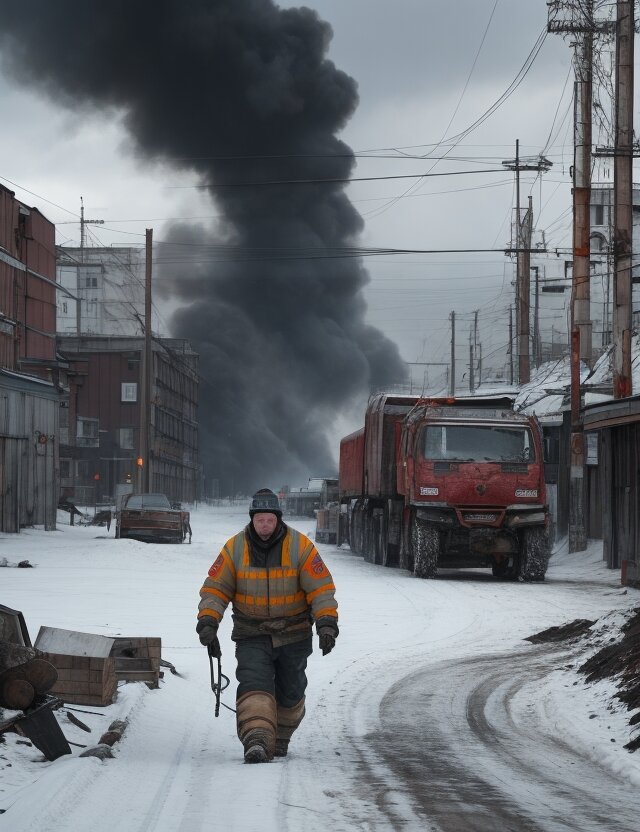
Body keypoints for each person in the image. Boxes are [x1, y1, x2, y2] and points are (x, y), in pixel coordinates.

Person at [196, 488, 339, 763]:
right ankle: (258, 740)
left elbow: (321, 589)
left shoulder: (300, 547)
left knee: (291, 690)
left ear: (278, 519)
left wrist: (326, 624)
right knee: (254, 684)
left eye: (269, 520)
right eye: (259, 519)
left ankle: (281, 737)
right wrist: (208, 621)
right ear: (252, 519)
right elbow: (216, 588)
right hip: (252, 633)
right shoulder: (234, 548)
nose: (264, 525)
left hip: (294, 634)